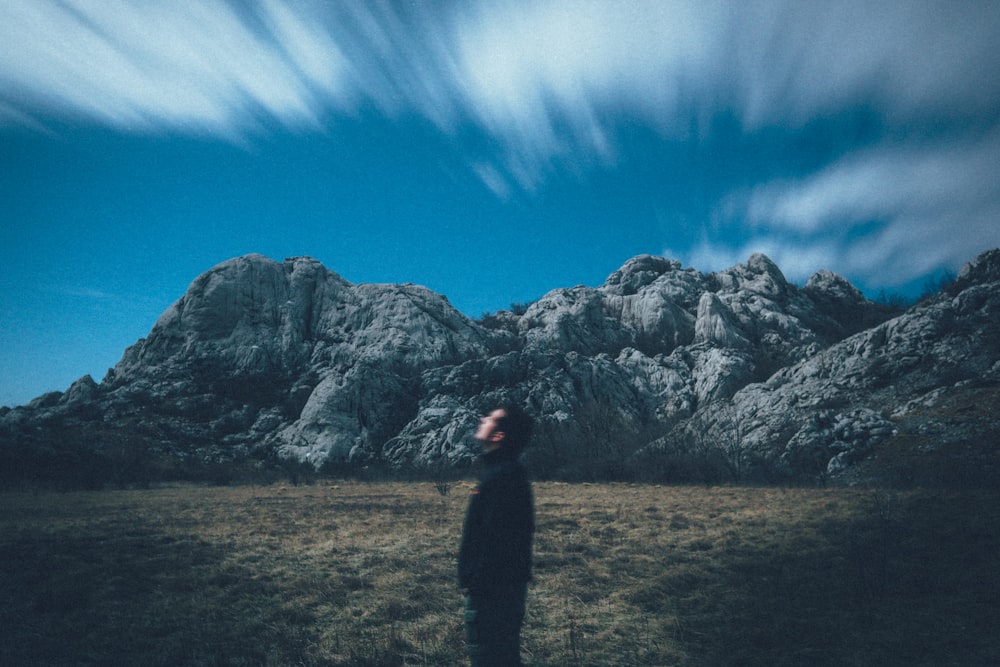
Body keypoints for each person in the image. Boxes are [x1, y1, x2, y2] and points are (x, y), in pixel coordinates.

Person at [458, 404, 535, 667]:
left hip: (492, 592)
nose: (483, 418)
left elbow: (496, 540)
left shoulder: (502, 478)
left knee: (490, 659)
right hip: (500, 589)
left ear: (499, 436)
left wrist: (474, 581)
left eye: (491, 418)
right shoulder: (504, 473)